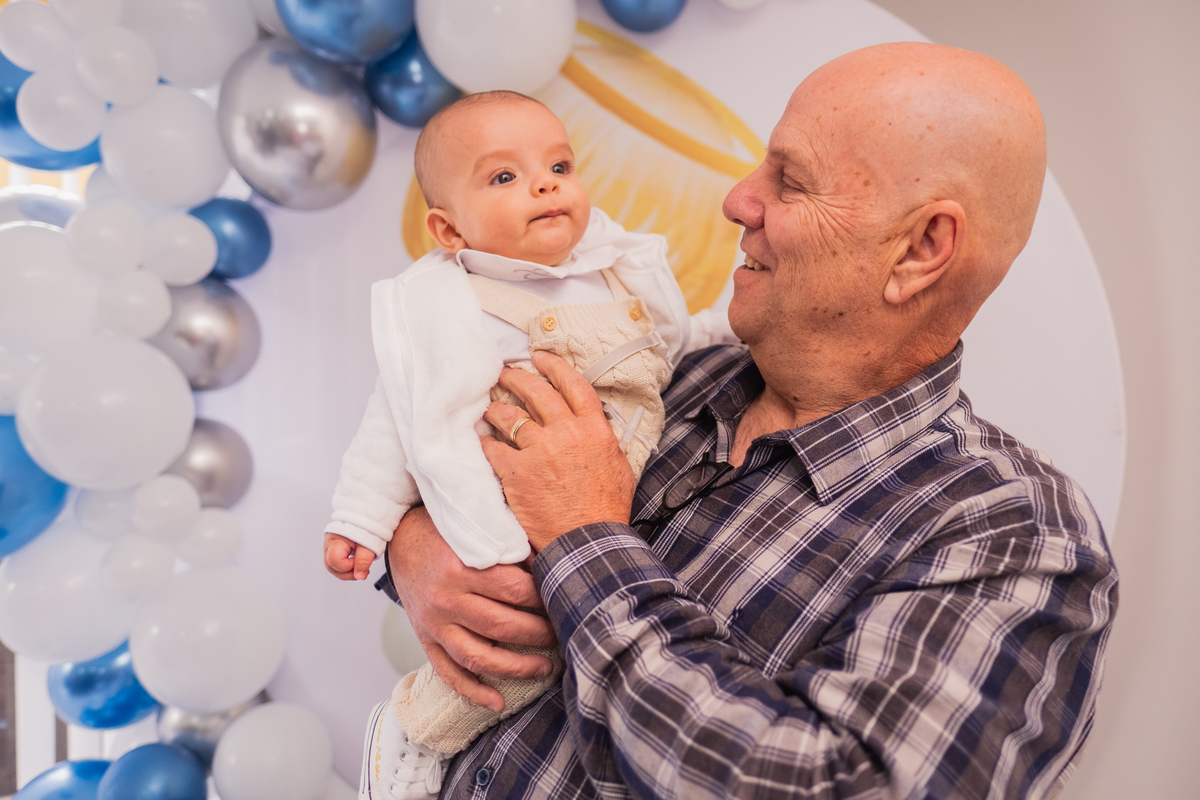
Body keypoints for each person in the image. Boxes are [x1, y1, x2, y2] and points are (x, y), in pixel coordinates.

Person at [377, 41, 1119, 799]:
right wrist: (413, 547)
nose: (738, 198)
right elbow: (453, 454)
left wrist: (583, 536)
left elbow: (834, 786)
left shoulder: (1014, 534)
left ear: (921, 250)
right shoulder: (667, 373)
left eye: (789, 181)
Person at [321, 91, 734, 800]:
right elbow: (398, 420)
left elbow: (666, 345)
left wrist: (722, 329)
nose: (545, 184)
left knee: (577, 635)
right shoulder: (455, 306)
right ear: (449, 230)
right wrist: (363, 520)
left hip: (611, 481)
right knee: (523, 643)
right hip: (515, 499)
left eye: (558, 165)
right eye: (504, 177)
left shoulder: (614, 270)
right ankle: (416, 732)